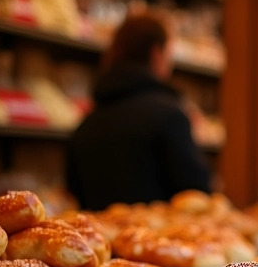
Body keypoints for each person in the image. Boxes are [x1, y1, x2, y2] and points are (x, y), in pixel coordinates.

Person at [67, 12, 211, 210]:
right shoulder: (170, 116)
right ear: (156, 54)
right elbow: (198, 196)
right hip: (159, 238)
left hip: (99, 238)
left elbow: (75, 193)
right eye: (170, 52)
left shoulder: (87, 123)